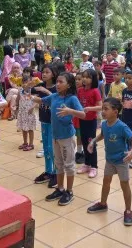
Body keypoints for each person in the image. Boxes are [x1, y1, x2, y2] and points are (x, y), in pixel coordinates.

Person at [33, 72, 86, 206]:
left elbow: (83, 114)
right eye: (57, 82)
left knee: (68, 165)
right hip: (55, 136)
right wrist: (30, 96)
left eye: (61, 82)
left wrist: (70, 111)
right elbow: (42, 100)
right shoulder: (54, 96)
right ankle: (60, 188)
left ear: (69, 85)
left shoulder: (72, 99)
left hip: (67, 137)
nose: (57, 84)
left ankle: (69, 191)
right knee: (58, 164)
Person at [86, 97, 132, 226]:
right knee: (105, 182)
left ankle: (128, 210)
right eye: (102, 108)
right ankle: (103, 204)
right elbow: (102, 135)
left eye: (106, 109)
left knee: (124, 184)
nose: (103, 111)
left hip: (121, 161)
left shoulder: (121, 126)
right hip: (109, 160)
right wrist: (93, 141)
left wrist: (131, 152)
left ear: (116, 111)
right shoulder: (104, 124)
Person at [32, 65, 58, 188]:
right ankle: (48, 171)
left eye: (47, 72)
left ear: (53, 74)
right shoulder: (40, 85)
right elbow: (33, 97)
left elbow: (57, 101)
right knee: (46, 148)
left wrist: (45, 91)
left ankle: (57, 173)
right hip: (44, 120)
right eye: (43, 72)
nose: (44, 74)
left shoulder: (56, 87)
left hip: (54, 122)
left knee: (53, 149)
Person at [77, 69, 103, 178]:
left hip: (91, 121)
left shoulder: (95, 91)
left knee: (91, 143)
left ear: (93, 80)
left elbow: (101, 106)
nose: (84, 79)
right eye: (83, 76)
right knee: (84, 142)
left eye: (87, 77)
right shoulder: (80, 90)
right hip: (81, 120)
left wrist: (89, 108)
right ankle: (86, 164)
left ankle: (94, 166)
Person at [17, 75, 37, 151]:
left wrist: (33, 107)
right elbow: (18, 99)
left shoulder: (33, 90)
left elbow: (36, 100)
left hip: (29, 112)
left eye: (28, 82)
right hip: (22, 112)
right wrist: (16, 107)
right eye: (24, 82)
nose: (26, 84)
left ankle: (31, 144)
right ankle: (25, 142)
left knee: (30, 129)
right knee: (23, 128)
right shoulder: (20, 90)